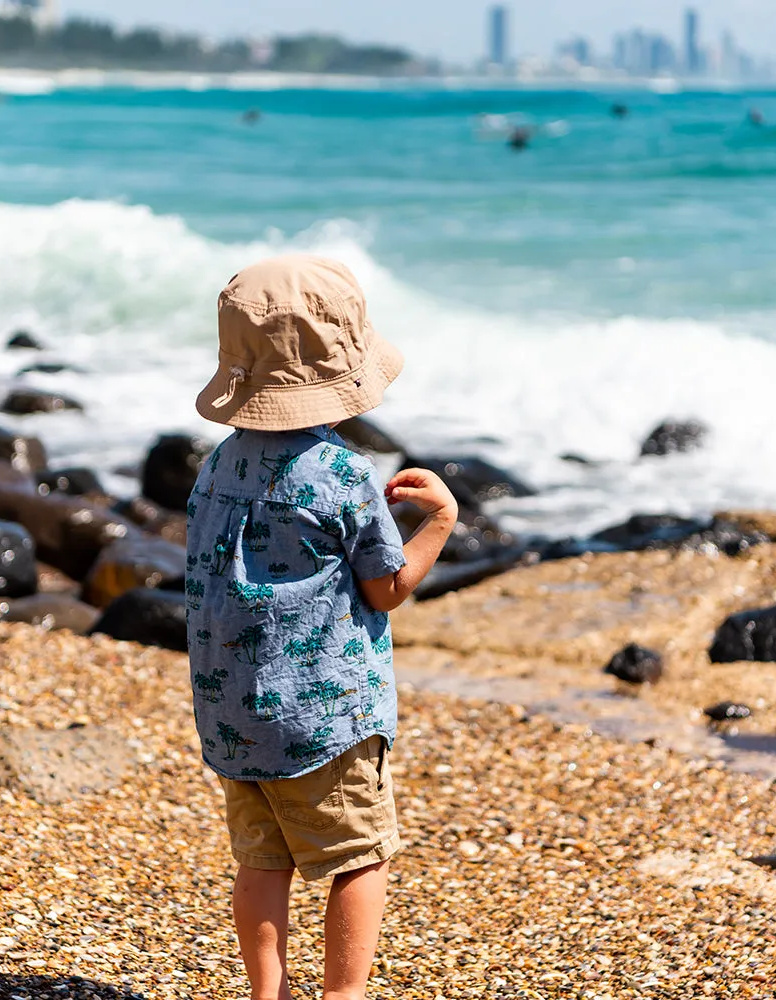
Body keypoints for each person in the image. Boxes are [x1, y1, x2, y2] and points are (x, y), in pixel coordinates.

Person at [187, 255, 458, 1000]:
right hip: (322, 718)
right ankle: (344, 994)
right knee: (358, 856)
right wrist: (440, 519)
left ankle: (265, 994)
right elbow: (388, 585)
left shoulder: (216, 467)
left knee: (262, 861)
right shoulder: (342, 474)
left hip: (232, 713)